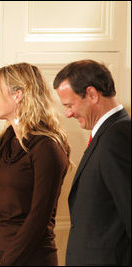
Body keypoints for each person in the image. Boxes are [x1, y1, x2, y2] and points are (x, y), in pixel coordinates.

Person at [0, 63, 71, 266]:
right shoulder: (2, 146)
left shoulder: (47, 148)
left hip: (31, 258)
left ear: (17, 95)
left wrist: (7, 262)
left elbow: (39, 217)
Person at [53, 59, 131, 266]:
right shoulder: (108, 134)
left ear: (92, 94)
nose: (68, 113)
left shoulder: (118, 137)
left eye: (69, 105)